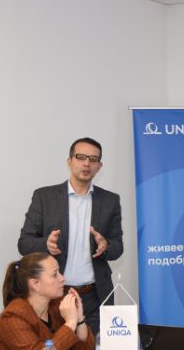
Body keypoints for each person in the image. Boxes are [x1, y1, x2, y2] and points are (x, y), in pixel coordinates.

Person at [17, 137, 123, 336]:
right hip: (53, 295)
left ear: (99, 166)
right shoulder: (44, 197)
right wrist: (46, 245)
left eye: (93, 159)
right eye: (81, 157)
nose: (87, 163)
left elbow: (118, 246)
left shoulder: (110, 200)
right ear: (69, 161)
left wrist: (106, 246)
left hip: (94, 296)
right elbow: (24, 244)